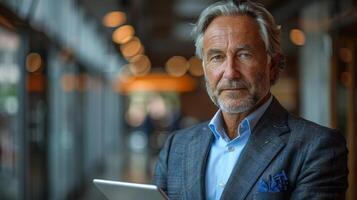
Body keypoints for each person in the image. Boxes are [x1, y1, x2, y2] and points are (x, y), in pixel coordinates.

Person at [153, 0, 348, 199]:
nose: (230, 72)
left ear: (271, 65)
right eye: (217, 57)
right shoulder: (176, 147)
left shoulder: (316, 147)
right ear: (204, 69)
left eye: (244, 55)